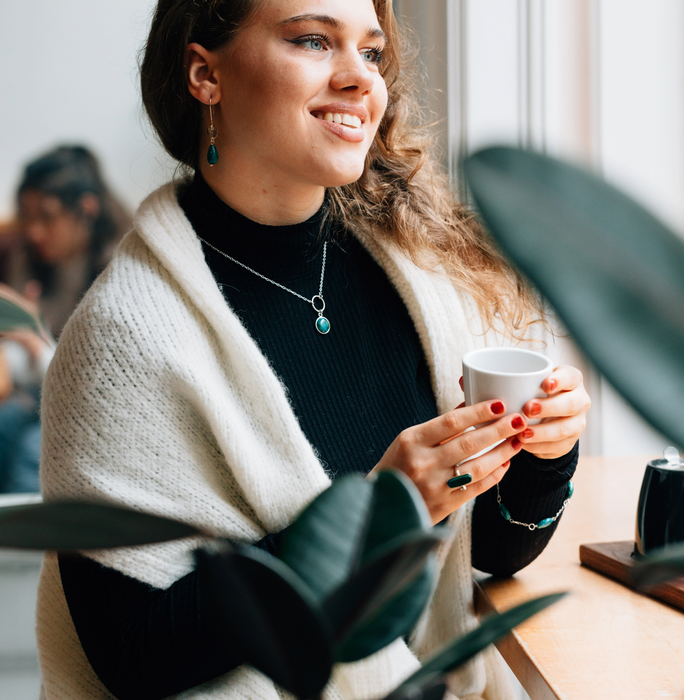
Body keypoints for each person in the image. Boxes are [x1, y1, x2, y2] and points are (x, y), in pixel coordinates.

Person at [36, 1, 590, 699]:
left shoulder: (412, 276)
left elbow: (495, 556)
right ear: (205, 75)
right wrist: (370, 518)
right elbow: (132, 659)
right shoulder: (121, 338)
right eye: (312, 40)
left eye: (371, 51)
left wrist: (544, 452)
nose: (360, 79)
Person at [0, 146, 128, 493]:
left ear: (87, 208)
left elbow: (101, 390)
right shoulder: (25, 256)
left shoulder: (120, 274)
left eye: (48, 217)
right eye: (28, 217)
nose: (35, 232)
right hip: (32, 395)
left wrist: (37, 344)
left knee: (33, 447)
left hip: (91, 411)